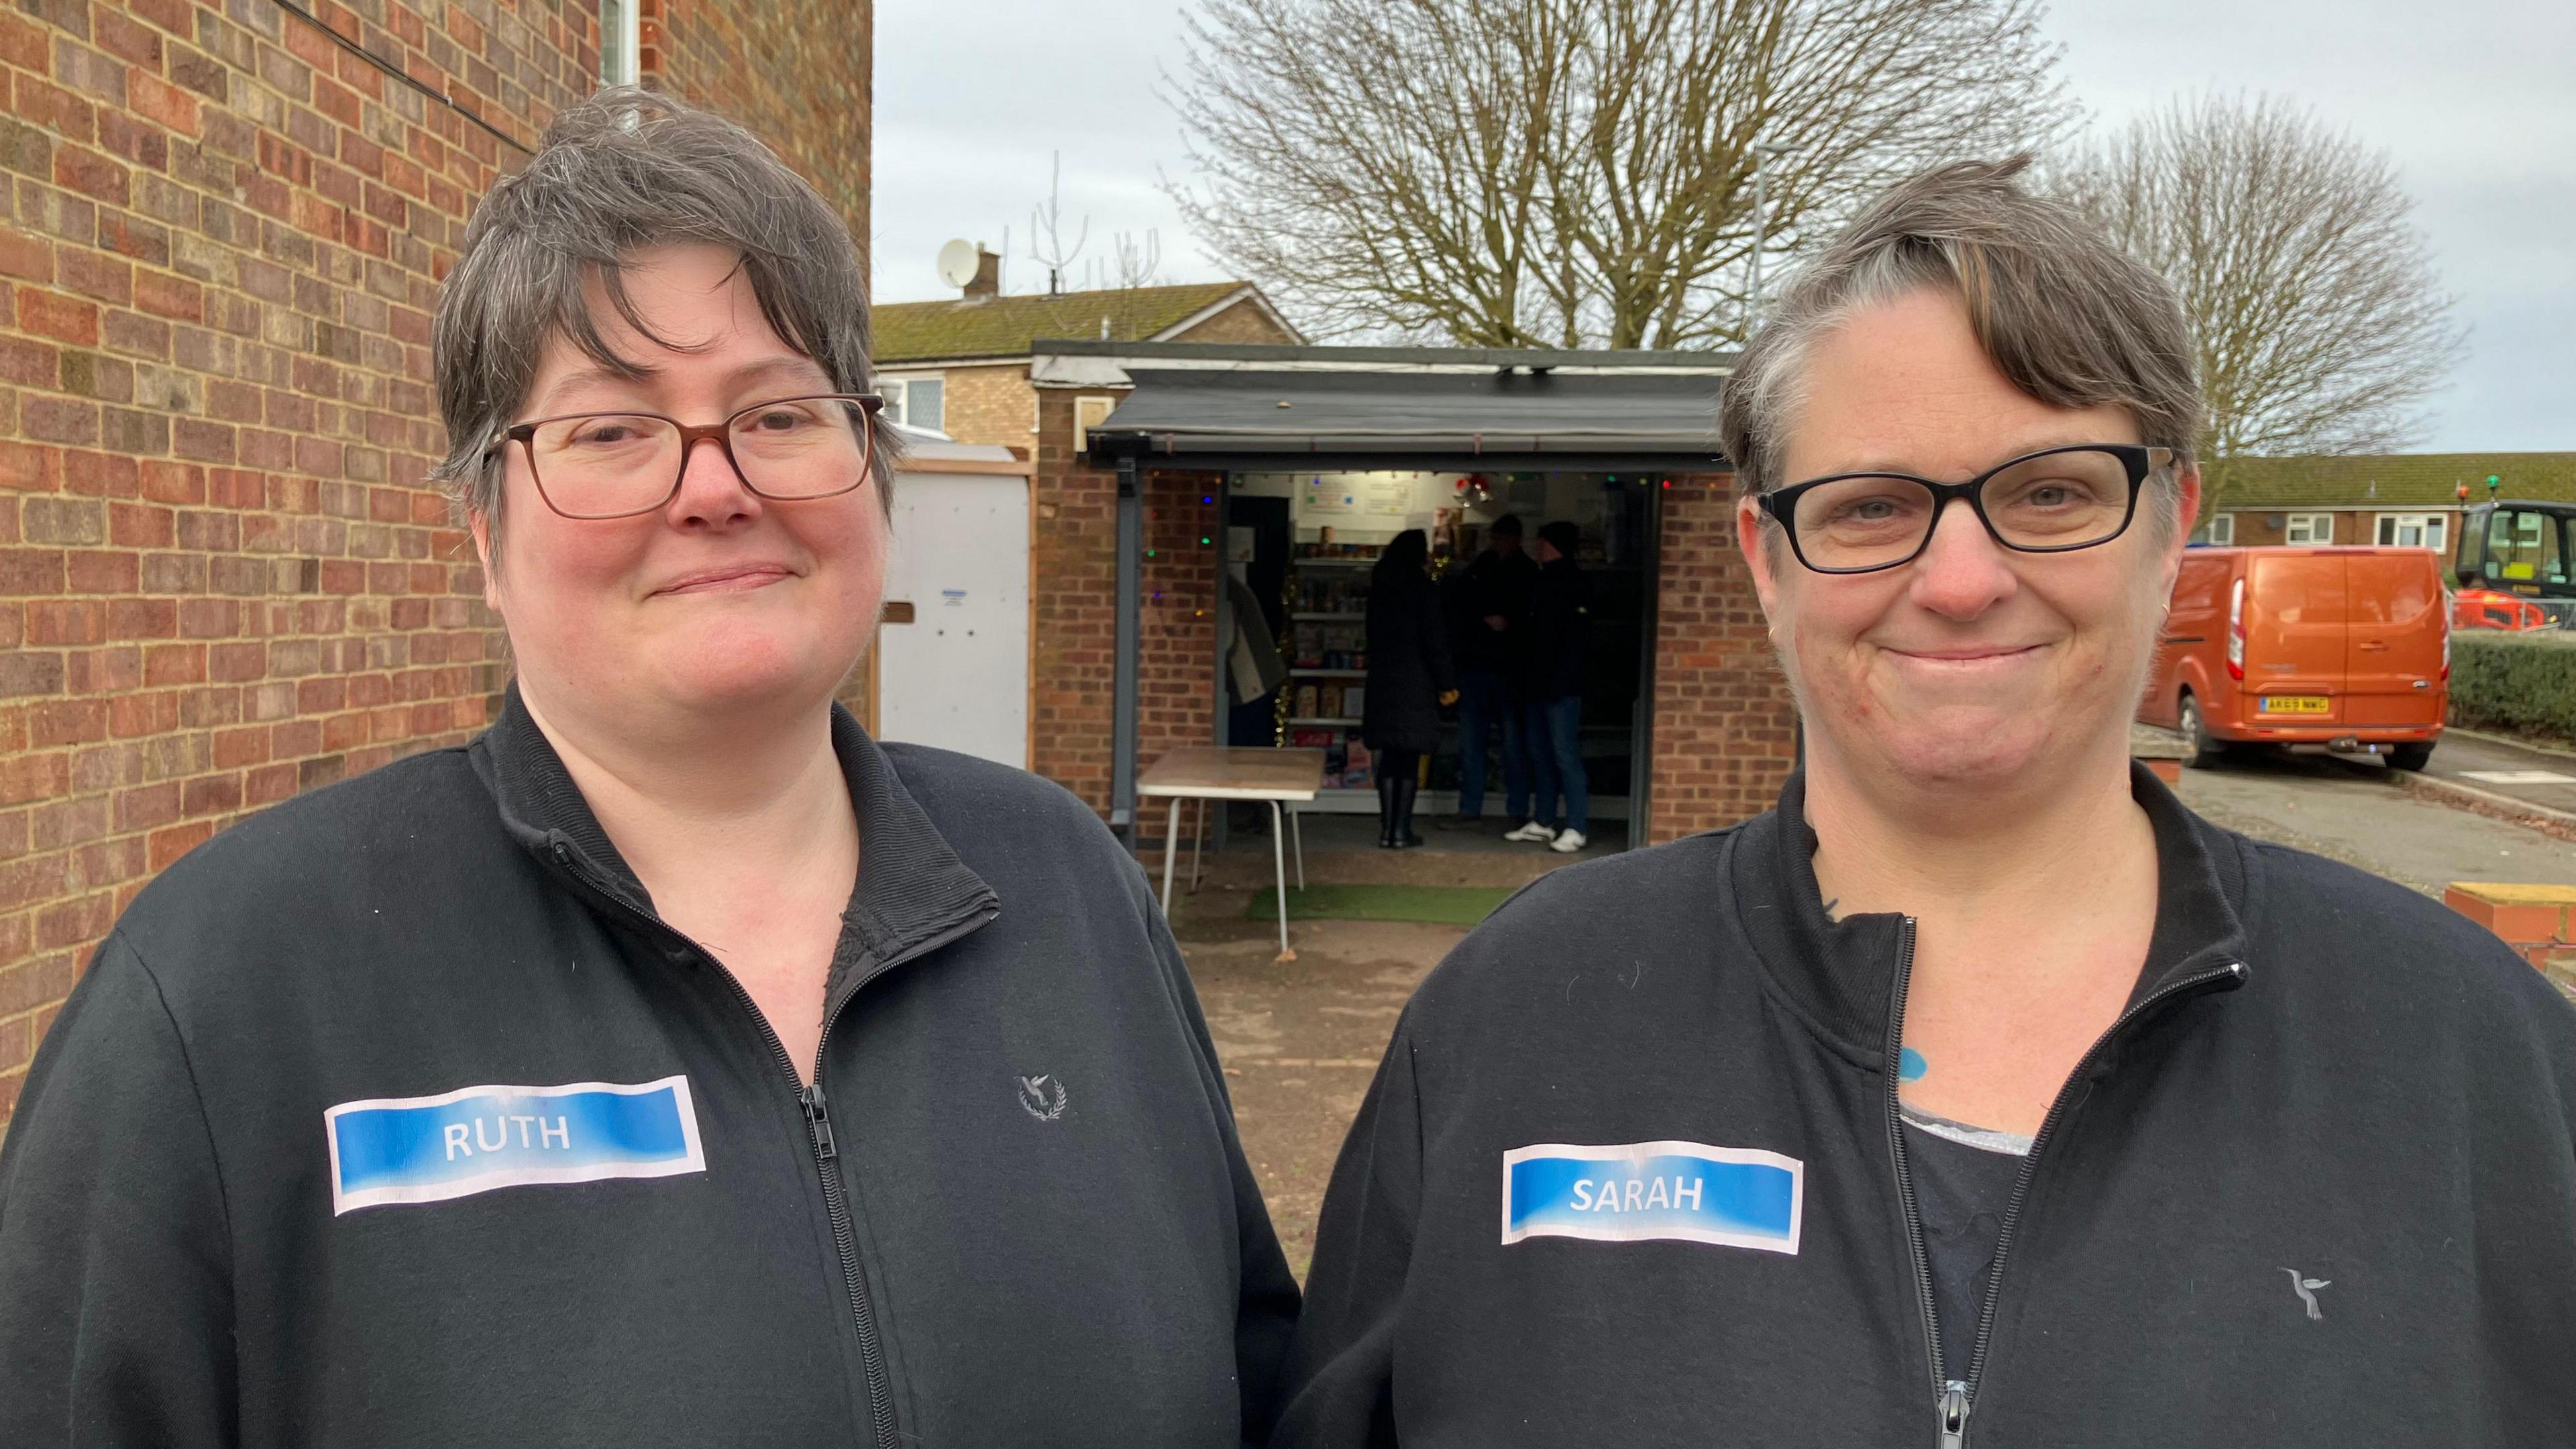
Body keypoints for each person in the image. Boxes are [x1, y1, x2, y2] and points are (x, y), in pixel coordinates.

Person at [0, 90, 1297, 1448]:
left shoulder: (1066, 892)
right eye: (612, 430)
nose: (715, 484)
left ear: (871, 472)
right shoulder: (234, 985)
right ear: (485, 535)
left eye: (782, 413)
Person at [1275, 156, 2576, 1446]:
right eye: (1872, 507)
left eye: (2052, 492)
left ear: (2172, 522)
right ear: (1767, 560)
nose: (1960, 580)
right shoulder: (1514, 1019)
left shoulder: (2478, 1060)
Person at [1437, 513, 1538, 833]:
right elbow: (1460, 607)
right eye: (1495, 538)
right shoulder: (1495, 568)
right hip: (1487, 667)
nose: (1497, 544)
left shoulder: (1515, 571)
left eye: (1501, 538)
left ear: (1514, 539)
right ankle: (1484, 809)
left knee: (1508, 746)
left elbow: (1533, 622)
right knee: (1480, 744)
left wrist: (1508, 625)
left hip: (1504, 669)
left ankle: (1509, 809)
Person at [1500, 519, 1592, 853]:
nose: (1535, 545)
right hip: (1537, 686)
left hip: (1561, 688)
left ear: (1549, 542)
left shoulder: (1572, 582)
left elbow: (1575, 643)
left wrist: (1562, 681)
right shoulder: (1542, 580)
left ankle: (1576, 827)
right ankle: (1543, 821)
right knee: (1541, 754)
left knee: (1565, 755)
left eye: (1540, 540)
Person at [1362, 529, 1457, 849]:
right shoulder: (1422, 589)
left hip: (1382, 684)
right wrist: (1447, 685)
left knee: (1389, 758)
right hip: (1416, 683)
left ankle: (1386, 830)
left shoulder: (1380, 587)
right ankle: (1402, 830)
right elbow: (1437, 642)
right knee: (1408, 761)